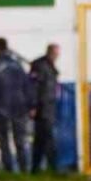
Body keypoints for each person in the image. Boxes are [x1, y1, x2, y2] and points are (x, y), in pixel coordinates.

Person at [0, 37, 31, 173]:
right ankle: (24, 168)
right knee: (20, 139)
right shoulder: (18, 65)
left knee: (3, 140)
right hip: (20, 106)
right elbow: (27, 86)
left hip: (1, 107)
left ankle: (8, 168)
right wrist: (30, 104)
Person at [29, 43, 61, 173]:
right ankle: (53, 167)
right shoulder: (40, 65)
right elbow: (34, 87)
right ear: (49, 52)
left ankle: (36, 168)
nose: (57, 56)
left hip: (49, 107)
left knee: (40, 139)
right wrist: (33, 105)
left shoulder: (50, 66)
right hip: (42, 107)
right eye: (55, 53)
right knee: (48, 138)